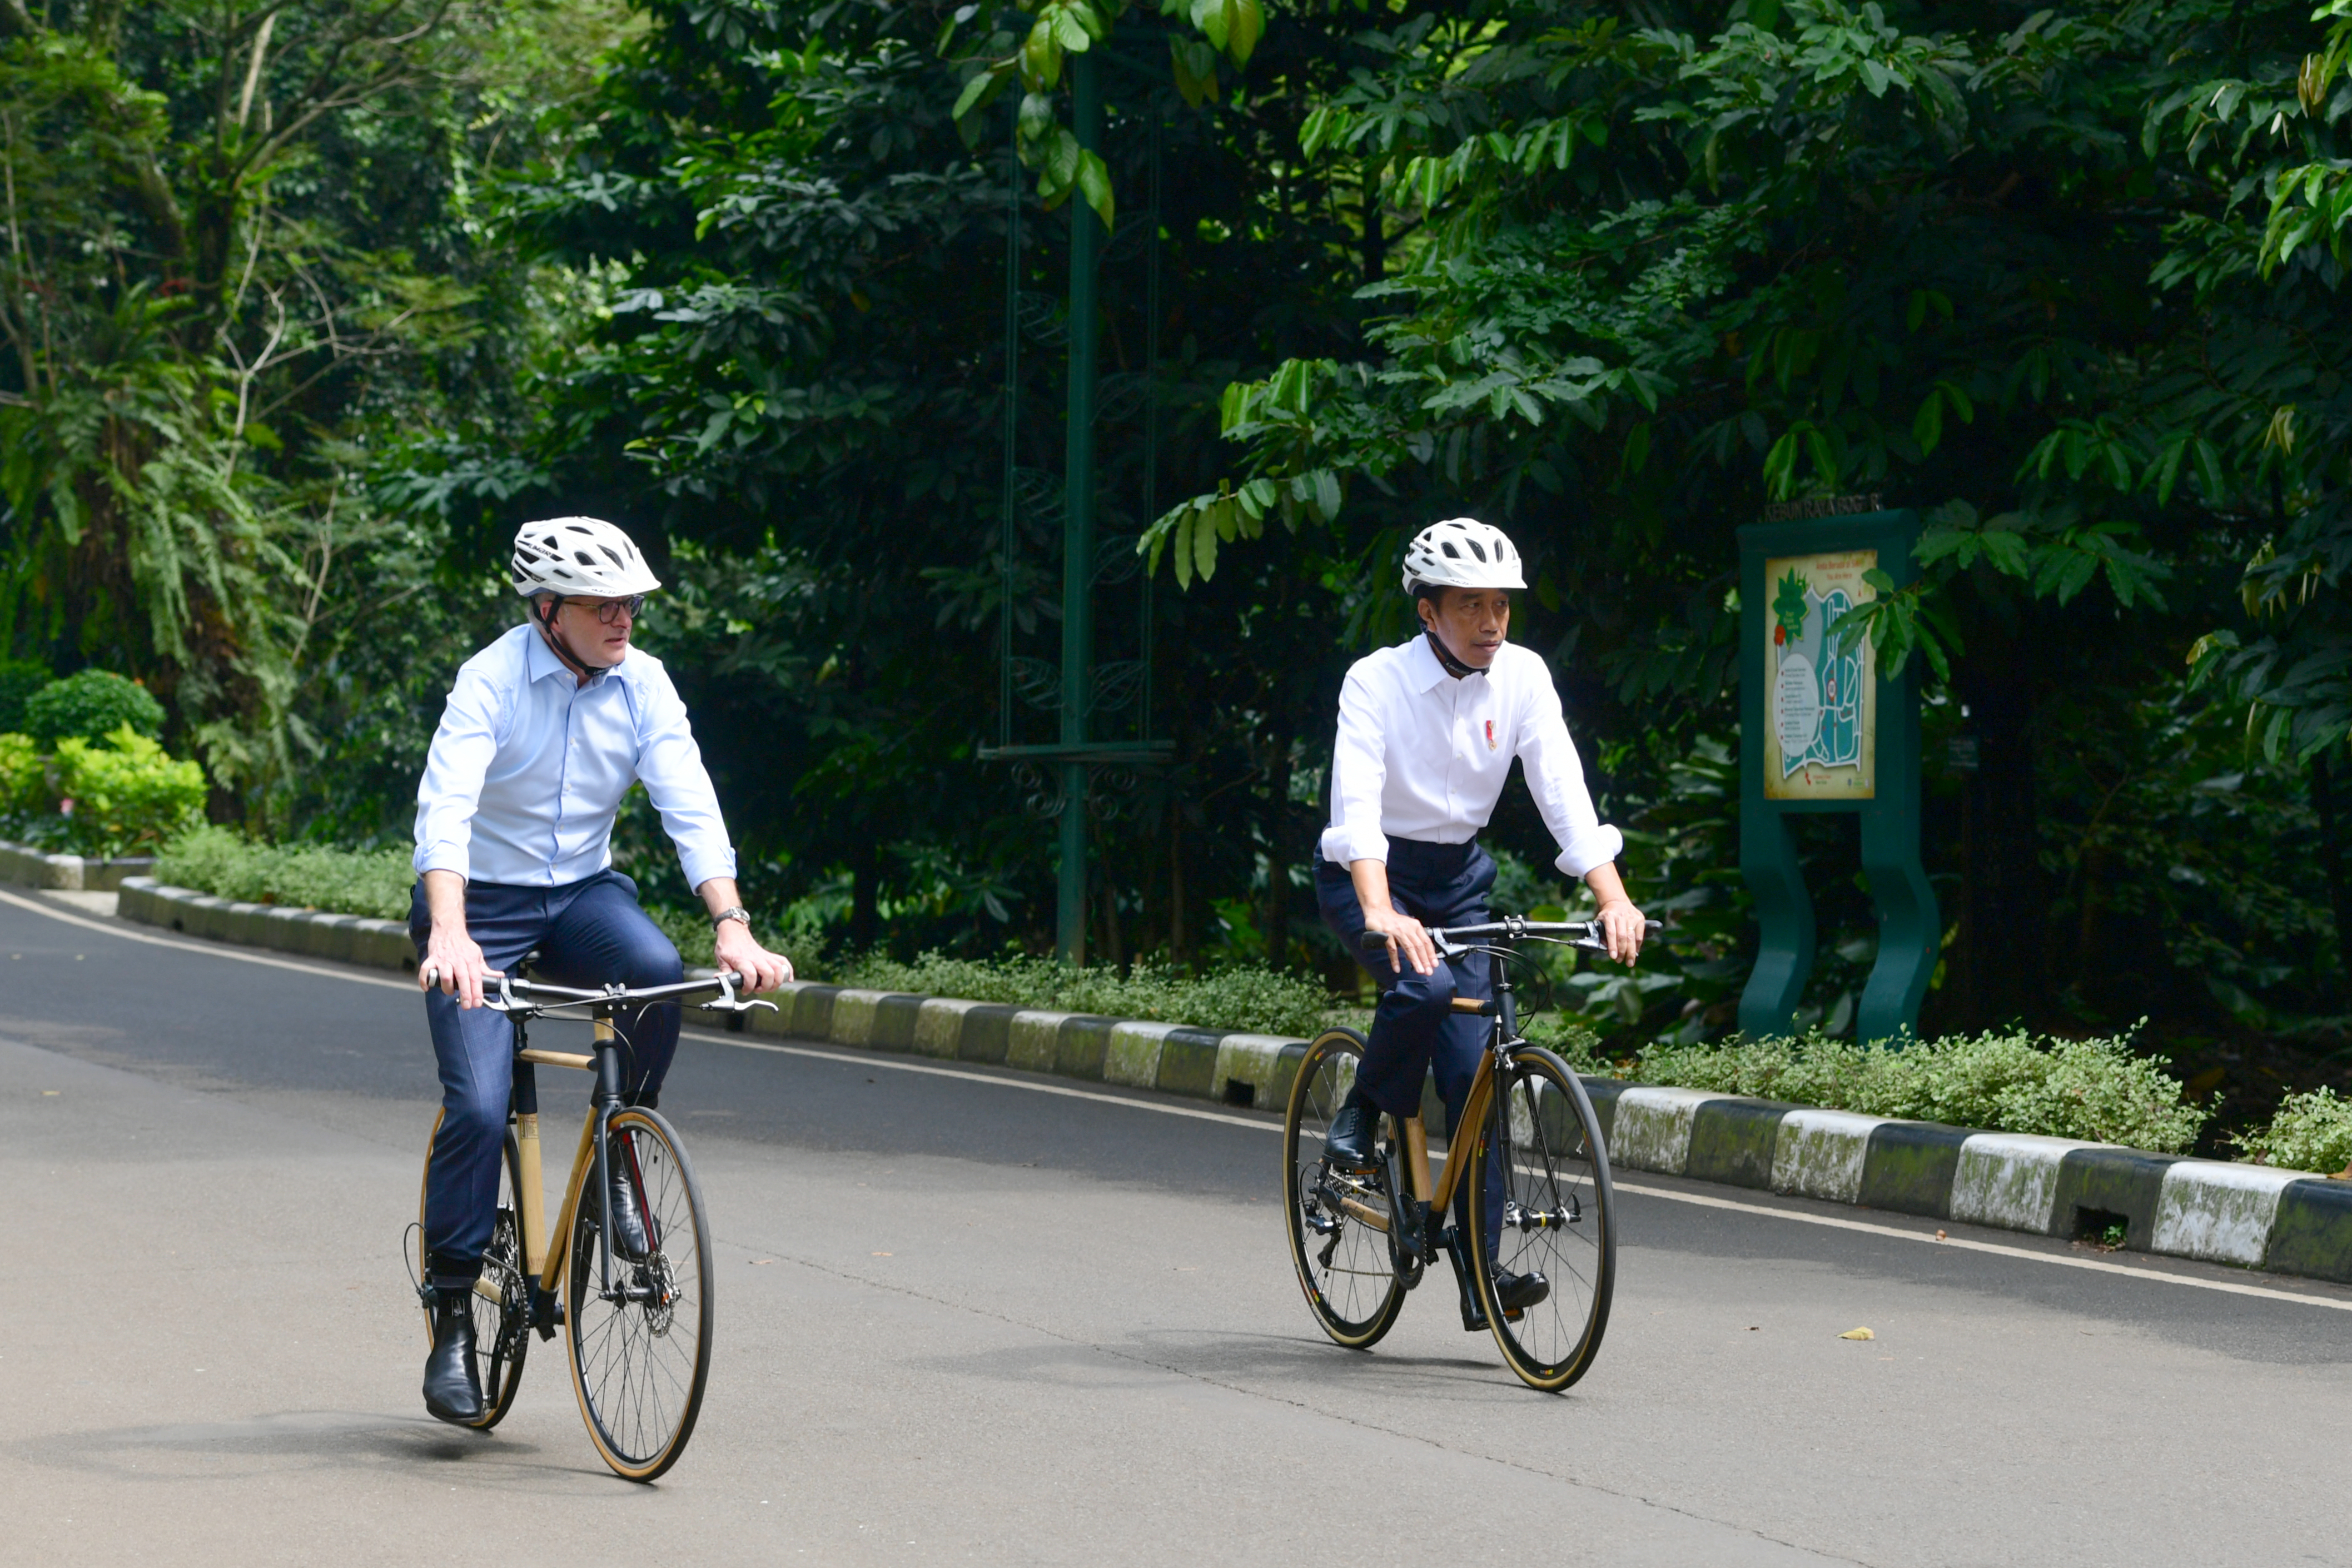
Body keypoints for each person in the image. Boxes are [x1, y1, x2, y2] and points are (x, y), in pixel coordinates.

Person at [409, 515, 794, 1425]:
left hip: (582, 893)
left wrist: (732, 927)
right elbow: (446, 810)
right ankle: (455, 1316)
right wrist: (452, 933)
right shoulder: (491, 680)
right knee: (475, 1102)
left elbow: (688, 799)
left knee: (658, 970)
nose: (624, 619)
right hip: (482, 905)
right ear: (548, 610)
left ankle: (621, 1146)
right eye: (603, 605)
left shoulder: (644, 683)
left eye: (632, 604)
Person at [1315, 516, 1645, 1331]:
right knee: (1422, 990)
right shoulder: (1375, 682)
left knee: (1477, 1083)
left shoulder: (1524, 677)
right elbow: (1355, 806)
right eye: (1470, 606)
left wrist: (1611, 894)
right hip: (1373, 871)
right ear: (1428, 612)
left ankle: (1480, 1266)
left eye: (1500, 604)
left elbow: (1562, 787)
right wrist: (1381, 907)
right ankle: (1361, 1111)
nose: (1491, 622)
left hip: (1459, 878)